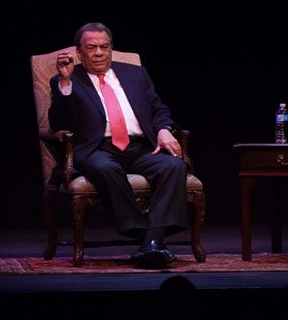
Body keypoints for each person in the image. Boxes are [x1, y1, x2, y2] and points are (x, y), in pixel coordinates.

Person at [48, 21, 189, 269]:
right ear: (79, 53)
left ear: (111, 48)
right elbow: (60, 121)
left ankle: (152, 242)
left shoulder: (135, 74)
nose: (99, 53)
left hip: (140, 146)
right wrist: (66, 83)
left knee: (174, 166)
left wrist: (165, 129)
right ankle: (146, 235)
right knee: (104, 167)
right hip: (98, 149)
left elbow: (158, 109)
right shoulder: (67, 80)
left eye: (104, 46)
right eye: (91, 48)